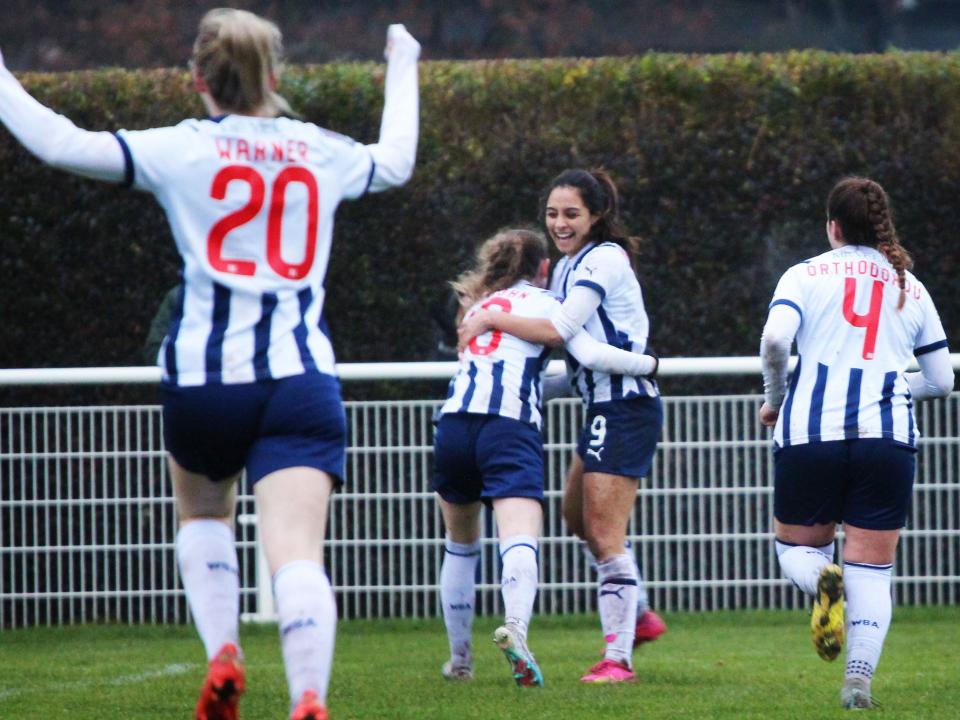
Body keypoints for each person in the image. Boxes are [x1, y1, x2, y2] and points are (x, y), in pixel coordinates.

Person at [0, 9, 419, 720]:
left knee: (203, 513)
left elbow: (58, 142)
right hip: (299, 377)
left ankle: (224, 652)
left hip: (205, 380)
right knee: (296, 553)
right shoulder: (320, 149)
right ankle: (309, 696)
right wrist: (403, 60)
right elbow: (398, 160)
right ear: (276, 76)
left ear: (197, 78)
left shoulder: (183, 148)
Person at [458, 169, 665, 683]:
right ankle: (637, 615)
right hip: (601, 406)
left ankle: (618, 660)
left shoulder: (604, 258)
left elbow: (560, 331)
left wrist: (491, 319)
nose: (559, 222)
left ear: (596, 215)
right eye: (552, 213)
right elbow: (580, 356)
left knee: (604, 533)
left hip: (626, 406)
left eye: (571, 213)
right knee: (577, 521)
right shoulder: (571, 265)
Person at [758, 176, 953, 710]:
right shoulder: (909, 285)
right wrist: (888, 387)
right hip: (885, 439)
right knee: (872, 567)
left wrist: (775, 400)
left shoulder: (804, 274)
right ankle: (858, 680)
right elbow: (941, 380)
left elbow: (775, 339)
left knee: (794, 548)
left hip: (810, 434)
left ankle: (822, 577)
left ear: (833, 227)